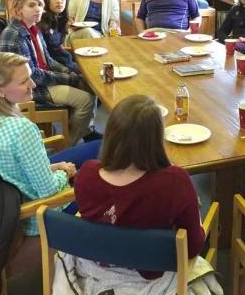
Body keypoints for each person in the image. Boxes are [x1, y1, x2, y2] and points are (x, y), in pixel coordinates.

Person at [72, 95, 210, 290]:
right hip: (152, 275)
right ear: (156, 138)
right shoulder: (174, 182)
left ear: (111, 133)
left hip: (98, 266)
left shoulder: (86, 173)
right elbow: (192, 247)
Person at [0, 52, 76, 234]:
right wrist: (64, 172)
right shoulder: (21, 130)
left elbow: (10, 169)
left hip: (3, 204)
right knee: (96, 170)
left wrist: (55, 167)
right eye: (24, 82)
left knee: (88, 155)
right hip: (34, 216)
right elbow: (48, 191)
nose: (33, 85)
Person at [0, 0, 99, 145]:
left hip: (39, 81)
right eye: (31, 5)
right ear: (18, 9)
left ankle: (84, 131)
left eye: (39, 4)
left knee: (90, 86)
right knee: (85, 100)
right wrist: (69, 78)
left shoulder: (33, 29)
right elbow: (33, 75)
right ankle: (67, 145)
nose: (38, 9)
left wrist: (68, 72)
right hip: (29, 89)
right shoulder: (15, 35)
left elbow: (48, 60)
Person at [38, 0, 78, 73]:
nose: (59, 1)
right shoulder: (40, 24)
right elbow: (46, 57)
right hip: (57, 69)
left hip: (66, 61)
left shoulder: (60, 19)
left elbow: (57, 47)